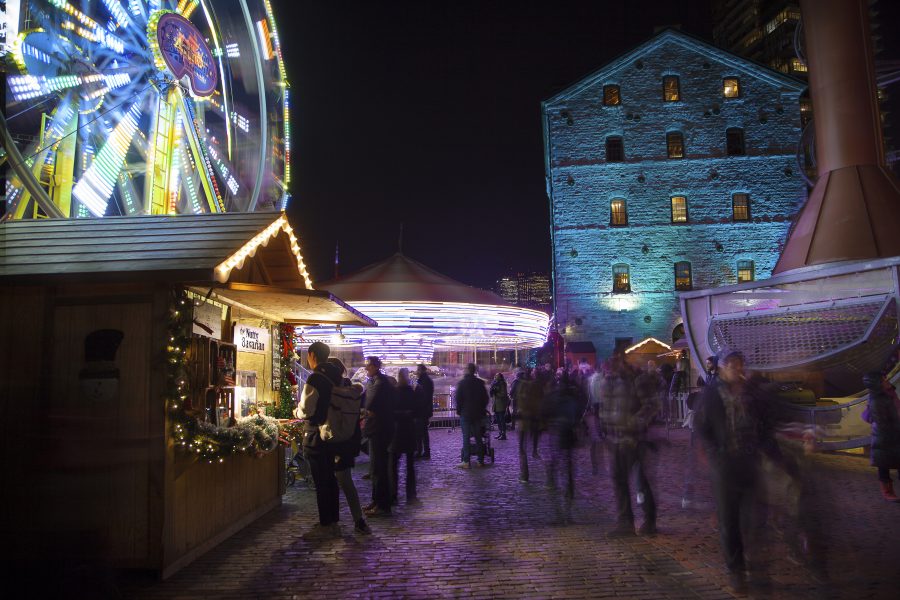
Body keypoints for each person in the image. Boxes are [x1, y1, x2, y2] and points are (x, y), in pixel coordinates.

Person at [696, 351, 794, 593]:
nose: (735, 367)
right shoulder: (711, 394)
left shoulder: (752, 392)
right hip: (725, 467)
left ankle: (756, 565)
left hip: (750, 463)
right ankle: (736, 569)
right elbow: (702, 427)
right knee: (729, 521)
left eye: (738, 363)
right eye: (730, 363)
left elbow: (766, 425)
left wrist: (776, 456)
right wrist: (716, 454)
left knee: (755, 519)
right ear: (720, 367)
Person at [598, 353, 659, 538]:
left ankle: (649, 521)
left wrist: (634, 422)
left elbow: (651, 406)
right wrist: (605, 426)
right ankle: (625, 522)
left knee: (641, 482)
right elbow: (605, 407)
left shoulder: (637, 381)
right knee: (618, 481)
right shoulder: (608, 382)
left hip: (634, 440)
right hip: (614, 439)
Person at [294, 342, 342, 534]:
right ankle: (334, 516)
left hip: (316, 434)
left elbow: (307, 409)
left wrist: (297, 412)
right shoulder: (337, 375)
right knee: (330, 476)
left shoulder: (315, 378)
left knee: (320, 479)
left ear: (312, 355)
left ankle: (325, 519)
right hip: (334, 433)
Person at [325, 357, 371, 534]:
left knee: (338, 480)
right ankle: (357, 518)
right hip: (348, 439)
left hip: (332, 438)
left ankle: (333, 519)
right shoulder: (352, 389)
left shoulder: (331, 391)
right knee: (346, 480)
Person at [362, 356, 395, 517]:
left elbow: (370, 404)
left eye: (367, 365)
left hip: (379, 429)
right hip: (377, 428)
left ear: (375, 366)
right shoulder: (374, 382)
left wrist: (366, 410)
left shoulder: (379, 383)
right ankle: (377, 501)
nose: (365, 368)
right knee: (376, 467)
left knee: (379, 468)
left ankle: (382, 504)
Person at [861, 371, 900, 502]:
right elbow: (883, 421)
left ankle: (889, 492)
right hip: (884, 435)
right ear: (877, 384)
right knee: (883, 464)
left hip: (894, 432)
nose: (887, 380)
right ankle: (887, 492)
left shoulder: (889, 392)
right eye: (884, 379)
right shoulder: (877, 399)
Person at [390, 368, 418, 504]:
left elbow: (390, 411)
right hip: (408, 431)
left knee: (394, 466)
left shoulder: (394, 393)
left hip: (396, 431)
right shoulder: (411, 392)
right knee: (410, 466)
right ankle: (411, 495)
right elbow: (417, 410)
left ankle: (393, 495)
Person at [454, 363, 489, 468]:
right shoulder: (480, 383)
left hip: (466, 413)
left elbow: (458, 399)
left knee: (466, 437)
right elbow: (485, 398)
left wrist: (459, 410)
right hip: (477, 413)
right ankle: (480, 460)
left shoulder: (462, 383)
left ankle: (466, 461)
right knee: (478, 436)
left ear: (467, 370)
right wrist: (481, 408)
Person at [414, 364, 434, 459]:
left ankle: (423, 451)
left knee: (421, 432)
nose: (416, 372)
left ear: (421, 370)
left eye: (417, 370)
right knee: (421, 432)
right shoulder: (424, 380)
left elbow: (424, 397)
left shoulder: (424, 381)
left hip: (422, 410)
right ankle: (422, 451)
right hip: (423, 410)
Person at [490, 373, 510, 440]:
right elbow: (492, 394)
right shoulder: (495, 383)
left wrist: (496, 393)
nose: (495, 376)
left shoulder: (502, 384)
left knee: (501, 420)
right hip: (496, 404)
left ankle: (503, 434)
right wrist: (492, 392)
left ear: (500, 377)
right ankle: (500, 433)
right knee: (498, 420)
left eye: (497, 376)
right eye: (495, 375)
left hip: (501, 404)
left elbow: (503, 394)